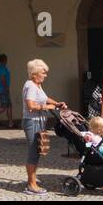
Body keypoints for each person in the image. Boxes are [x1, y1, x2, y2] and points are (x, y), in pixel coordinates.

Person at [22, 59, 65, 196]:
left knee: (37, 151)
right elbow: (31, 106)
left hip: (38, 122)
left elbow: (45, 98)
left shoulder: (37, 86)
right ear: (34, 74)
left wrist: (57, 104)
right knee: (33, 152)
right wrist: (47, 107)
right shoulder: (30, 85)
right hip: (32, 122)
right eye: (43, 72)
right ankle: (31, 185)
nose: (46, 75)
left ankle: (33, 182)